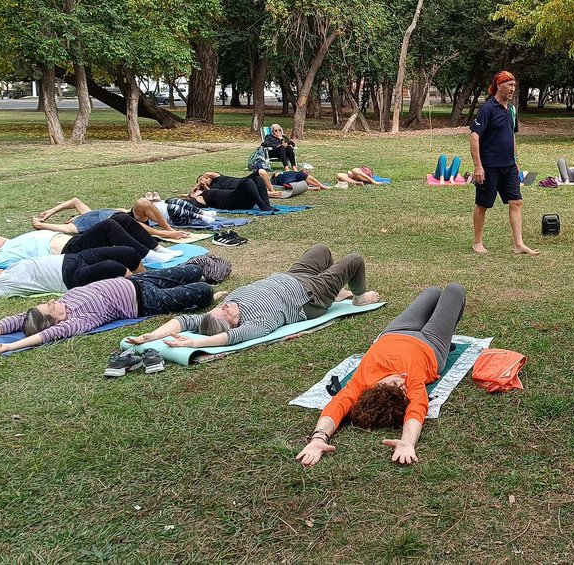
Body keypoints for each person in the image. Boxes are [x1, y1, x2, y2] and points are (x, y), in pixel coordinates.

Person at [295, 283, 466, 467]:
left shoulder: (360, 383)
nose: (401, 381)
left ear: (376, 388)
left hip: (395, 332)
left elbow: (336, 407)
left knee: (432, 293)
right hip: (432, 345)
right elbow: (416, 412)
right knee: (454, 290)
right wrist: (408, 442)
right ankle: (447, 340)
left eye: (393, 384)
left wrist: (318, 438)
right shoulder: (412, 384)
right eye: (402, 388)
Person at [126, 244, 379, 349]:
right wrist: (193, 344)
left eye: (221, 307)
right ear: (235, 324)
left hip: (293, 276)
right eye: (225, 312)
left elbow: (185, 321)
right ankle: (356, 297)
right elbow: (229, 338)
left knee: (321, 250)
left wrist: (152, 335)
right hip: (312, 297)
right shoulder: (256, 324)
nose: (225, 306)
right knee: (354, 260)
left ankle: (337, 291)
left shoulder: (221, 312)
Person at [0, 266, 214, 355]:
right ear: (54, 321)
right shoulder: (76, 321)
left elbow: (10, 321)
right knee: (204, 292)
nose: (53, 302)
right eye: (50, 307)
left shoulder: (61, 307)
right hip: (148, 300)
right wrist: (7, 348)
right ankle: (211, 288)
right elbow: (42, 337)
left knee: (193, 270)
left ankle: (204, 273)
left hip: (135, 281)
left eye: (49, 302)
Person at [0, 213, 179, 268]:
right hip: (70, 250)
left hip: (74, 241)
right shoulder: (1, 255)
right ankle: (149, 255)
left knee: (120, 219)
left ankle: (156, 247)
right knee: (109, 226)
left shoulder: (9, 241)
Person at [469, 71, 538, 255]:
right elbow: (474, 136)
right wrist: (478, 166)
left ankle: (518, 244)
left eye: (514, 85)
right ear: (499, 86)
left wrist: (515, 160)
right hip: (489, 167)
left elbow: (512, 136)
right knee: (483, 205)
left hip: (508, 166)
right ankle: (477, 242)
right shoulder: (488, 108)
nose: (512, 89)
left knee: (516, 202)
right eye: (509, 84)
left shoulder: (512, 109)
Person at [0, 247, 144, 302]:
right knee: (113, 267)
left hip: (75, 257)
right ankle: (143, 287)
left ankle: (144, 277)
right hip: (72, 276)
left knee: (127, 253)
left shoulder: (4, 270)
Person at [33, 197, 190, 241]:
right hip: (119, 225)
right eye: (70, 218)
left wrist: (49, 211)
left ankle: (170, 229)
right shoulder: (76, 225)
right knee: (124, 221)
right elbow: (59, 229)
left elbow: (74, 201)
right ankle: (166, 234)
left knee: (142, 202)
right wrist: (41, 223)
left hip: (127, 216)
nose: (71, 217)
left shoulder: (88, 213)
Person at [188, 172, 276, 212]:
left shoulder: (215, 181)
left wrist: (200, 184)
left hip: (239, 196)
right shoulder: (201, 198)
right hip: (233, 201)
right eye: (198, 189)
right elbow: (187, 203)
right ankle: (262, 206)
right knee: (248, 181)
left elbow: (208, 173)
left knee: (258, 179)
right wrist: (192, 194)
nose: (199, 188)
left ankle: (267, 205)